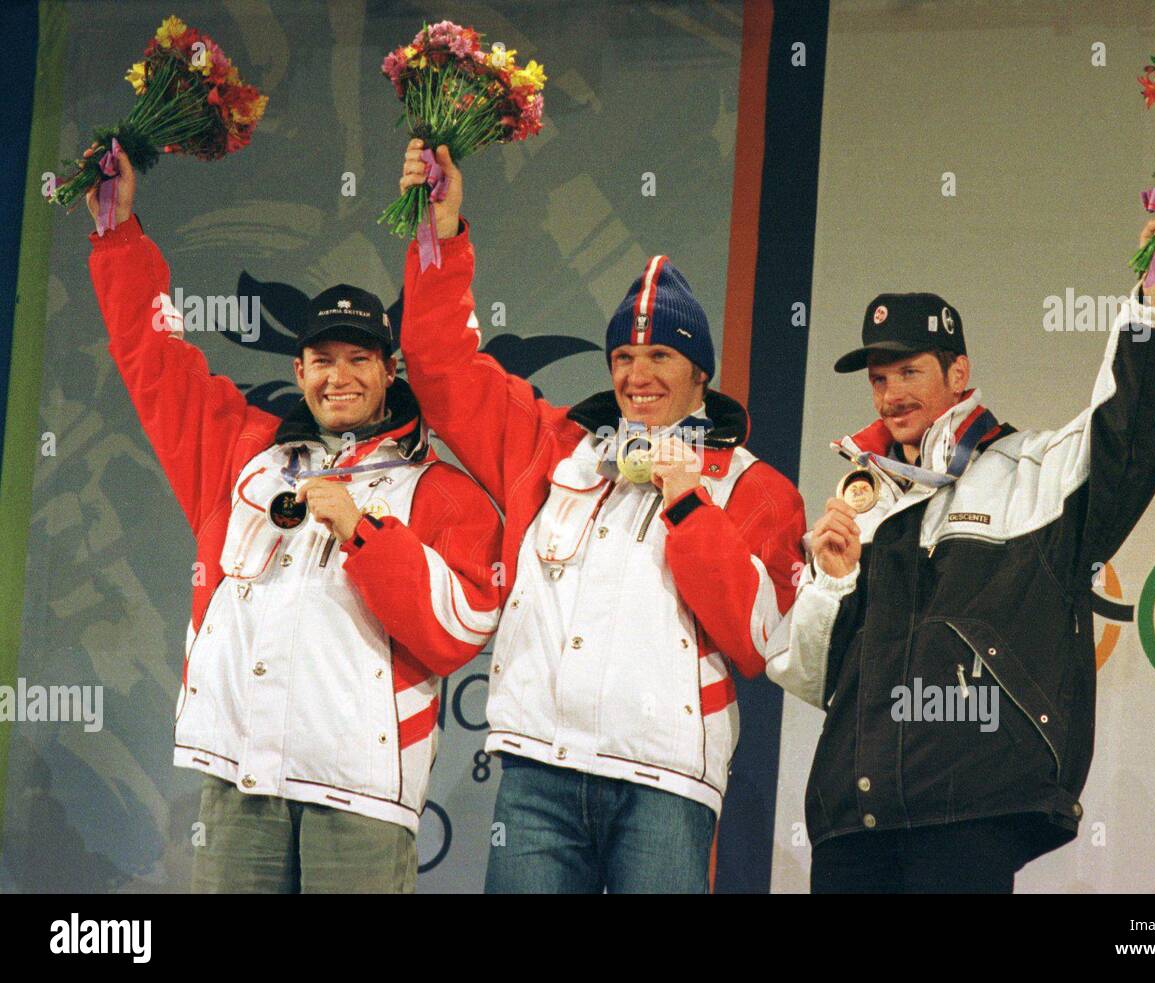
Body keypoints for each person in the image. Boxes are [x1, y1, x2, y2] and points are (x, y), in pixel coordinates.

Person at [395, 140, 808, 893]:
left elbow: (760, 641)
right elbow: (440, 369)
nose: (637, 374)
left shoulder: (757, 491)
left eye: (659, 356)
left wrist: (687, 504)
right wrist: (439, 234)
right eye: (623, 356)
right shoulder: (553, 449)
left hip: (666, 783)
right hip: (537, 773)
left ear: (701, 375)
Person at [85, 149, 503, 893]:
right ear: (301, 370)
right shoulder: (244, 453)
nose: (336, 376)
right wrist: (117, 233)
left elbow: (456, 630)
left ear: (389, 372)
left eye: (357, 359)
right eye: (319, 359)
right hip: (241, 776)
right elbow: (152, 356)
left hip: (361, 794)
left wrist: (364, 534)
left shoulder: (443, 494)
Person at [783, 202, 1155, 893]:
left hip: (971, 805)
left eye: (909, 372)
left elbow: (1126, 438)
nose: (890, 396)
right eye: (879, 379)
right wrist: (830, 582)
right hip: (853, 821)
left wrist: (1154, 303)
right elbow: (812, 679)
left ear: (957, 371)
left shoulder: (1032, 469)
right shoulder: (865, 501)